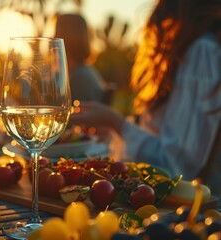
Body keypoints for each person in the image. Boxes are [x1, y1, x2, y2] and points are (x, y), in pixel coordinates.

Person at [71, 0, 221, 196]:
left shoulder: (203, 52)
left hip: (194, 212)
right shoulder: (194, 49)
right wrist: (113, 133)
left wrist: (117, 123)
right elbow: (163, 138)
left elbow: (177, 169)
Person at [54, 13, 108, 103]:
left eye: (56, 32)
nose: (53, 37)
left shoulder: (79, 78)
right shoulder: (84, 72)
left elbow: (79, 116)